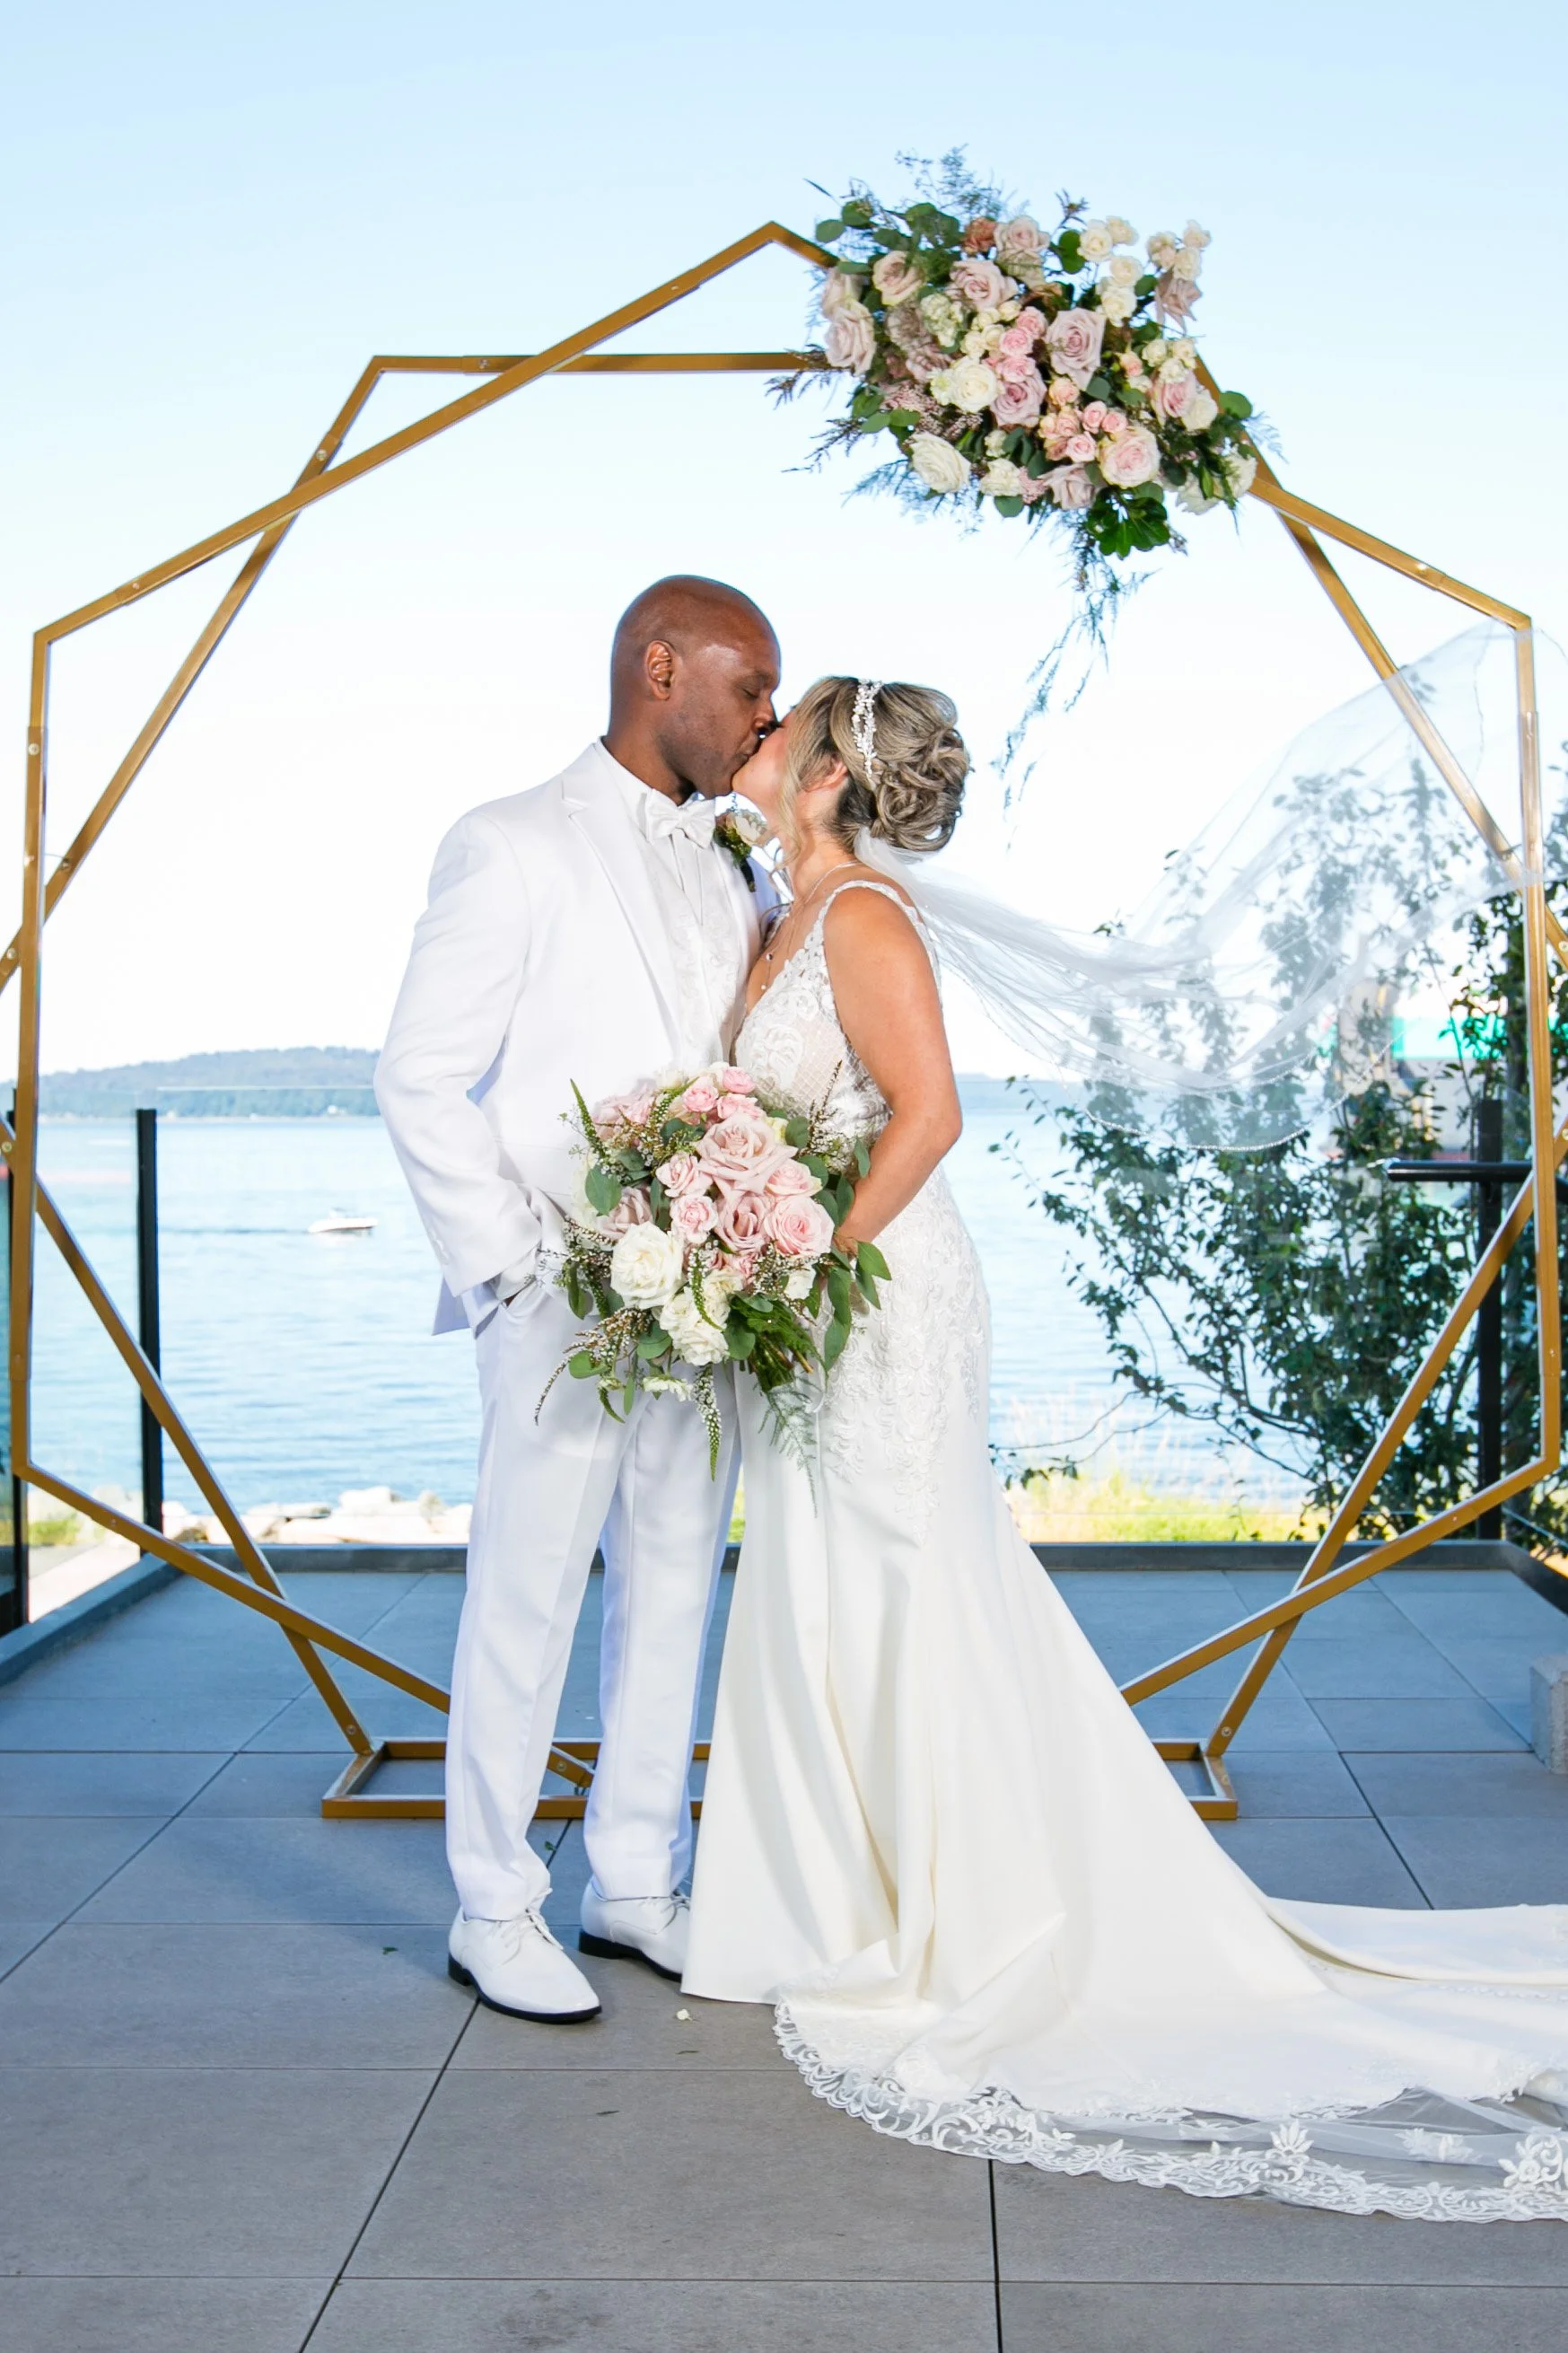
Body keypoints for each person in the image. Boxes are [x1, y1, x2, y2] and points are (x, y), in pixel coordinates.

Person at [682, 674, 1568, 2223]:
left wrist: (808, 1257)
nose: (750, 742)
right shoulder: (777, 911)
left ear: (823, 773)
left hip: (878, 1292)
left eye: (777, 727)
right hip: (825, 1286)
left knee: (904, 1578)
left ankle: (967, 1912)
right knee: (827, 1575)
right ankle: (825, 1896)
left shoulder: (865, 921)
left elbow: (929, 1115)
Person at [376, 576, 778, 2022]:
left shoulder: (737, 862)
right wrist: (509, 1276)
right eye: (747, 690)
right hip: (553, 1302)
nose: (763, 722)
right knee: (529, 1597)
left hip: (704, 1296)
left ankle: (632, 1879)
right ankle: (492, 1902)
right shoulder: (507, 843)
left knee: (674, 1586)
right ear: (655, 668)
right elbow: (418, 1076)